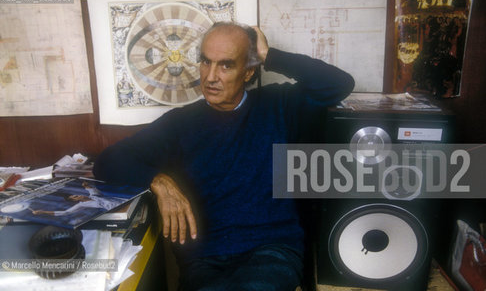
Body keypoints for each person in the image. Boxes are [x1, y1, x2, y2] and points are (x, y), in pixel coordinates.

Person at [93, 22, 354, 290]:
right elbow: (106, 163)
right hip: (204, 259)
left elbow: (339, 84)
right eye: (206, 62)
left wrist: (269, 55)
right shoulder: (179, 123)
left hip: (272, 249)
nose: (210, 76)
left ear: (248, 71)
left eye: (226, 65)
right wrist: (158, 182)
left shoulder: (279, 106)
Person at [32, 181, 126, 216]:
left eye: (76, 194)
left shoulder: (93, 195)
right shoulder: (81, 205)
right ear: (75, 200)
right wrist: (42, 212)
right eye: (76, 196)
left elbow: (90, 188)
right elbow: (65, 212)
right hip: (119, 209)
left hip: (123, 201)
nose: (78, 195)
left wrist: (85, 185)